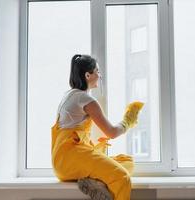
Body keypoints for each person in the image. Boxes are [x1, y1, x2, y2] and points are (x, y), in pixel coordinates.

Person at [51, 54, 144, 200]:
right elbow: (112, 132)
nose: (100, 75)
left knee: (126, 162)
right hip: (71, 158)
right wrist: (128, 121)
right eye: (97, 71)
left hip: (61, 161)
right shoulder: (85, 99)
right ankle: (96, 181)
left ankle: (93, 182)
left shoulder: (69, 95)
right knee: (122, 177)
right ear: (88, 75)